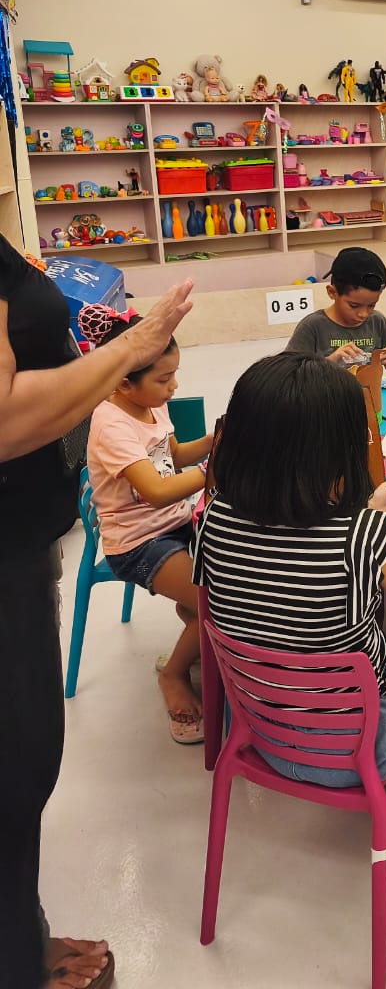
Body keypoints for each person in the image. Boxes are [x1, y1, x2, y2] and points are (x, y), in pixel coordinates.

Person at [0, 228, 192, 989]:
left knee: (22, 766)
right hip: (114, 541)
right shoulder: (117, 416)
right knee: (18, 765)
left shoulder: (149, 414)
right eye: (160, 375)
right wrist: (132, 345)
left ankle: (20, 939)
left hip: (35, 539)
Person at [194, 353, 386, 821]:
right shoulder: (363, 535)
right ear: (339, 450)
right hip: (362, 746)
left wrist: (373, 519)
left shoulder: (213, 517)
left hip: (265, 730)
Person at [83, 310, 213, 745]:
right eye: (163, 378)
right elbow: (157, 491)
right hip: (137, 542)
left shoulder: (150, 406)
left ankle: (196, 630)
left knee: (235, 571)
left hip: (175, 522)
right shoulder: (111, 425)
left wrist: (215, 441)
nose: (173, 386)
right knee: (213, 601)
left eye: (174, 374)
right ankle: (173, 674)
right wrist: (214, 472)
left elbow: (171, 457)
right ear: (124, 383)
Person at [286, 247, 386, 369]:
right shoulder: (312, 326)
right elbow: (287, 373)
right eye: (354, 305)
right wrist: (330, 362)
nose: (363, 314)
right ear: (332, 292)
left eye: (371, 305)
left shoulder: (378, 322)